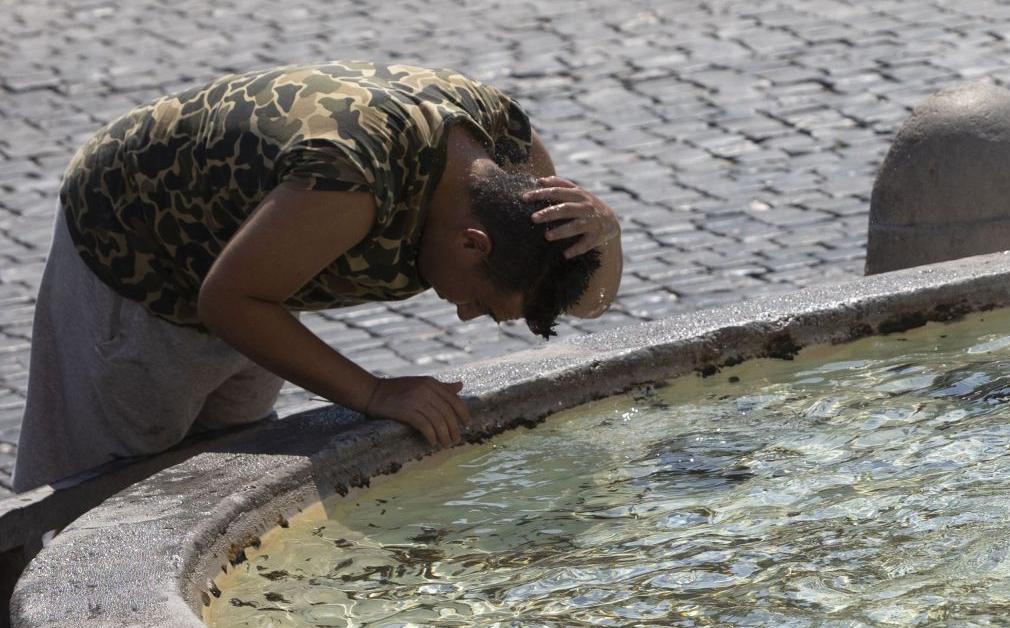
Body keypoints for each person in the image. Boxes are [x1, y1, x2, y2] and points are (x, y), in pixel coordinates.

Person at [11, 61, 622, 492]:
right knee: (94, 496)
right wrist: (374, 393)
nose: (463, 314)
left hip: (262, 270)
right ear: (472, 242)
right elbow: (228, 301)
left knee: (220, 473)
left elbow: (589, 306)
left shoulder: (514, 160)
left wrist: (607, 231)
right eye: (481, 304)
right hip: (138, 248)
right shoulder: (350, 181)